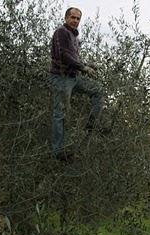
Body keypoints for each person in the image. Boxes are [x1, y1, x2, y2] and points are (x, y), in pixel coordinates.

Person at [49, 7, 103, 161]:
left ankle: (92, 124)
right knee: (60, 114)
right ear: (66, 18)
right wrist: (83, 67)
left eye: (78, 19)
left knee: (97, 90)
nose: (75, 21)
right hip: (61, 77)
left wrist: (87, 64)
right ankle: (58, 151)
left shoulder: (74, 38)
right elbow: (63, 55)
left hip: (73, 77)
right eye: (72, 17)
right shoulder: (61, 32)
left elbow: (73, 59)